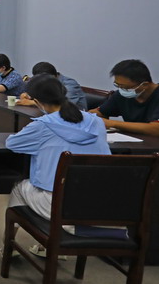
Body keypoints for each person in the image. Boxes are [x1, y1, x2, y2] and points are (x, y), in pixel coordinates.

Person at [6, 74, 110, 222]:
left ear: (37, 102)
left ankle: (15, 236)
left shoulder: (43, 125)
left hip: (63, 208)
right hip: (103, 203)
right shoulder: (97, 121)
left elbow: (12, 144)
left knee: (19, 187)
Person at [89, 60, 159, 136]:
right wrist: (87, 116)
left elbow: (156, 129)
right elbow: (100, 113)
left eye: (125, 87)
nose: (122, 90)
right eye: (117, 85)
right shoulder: (121, 94)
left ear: (144, 85)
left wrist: (113, 124)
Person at [16, 62, 87, 110]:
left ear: (53, 76)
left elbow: (65, 105)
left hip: (74, 119)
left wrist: (33, 102)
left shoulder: (70, 84)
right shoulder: (45, 82)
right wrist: (28, 95)